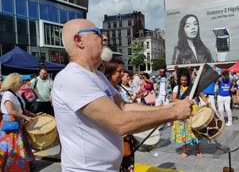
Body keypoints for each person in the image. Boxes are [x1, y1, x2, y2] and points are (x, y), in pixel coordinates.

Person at [52, 19, 193, 171]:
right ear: (79, 40)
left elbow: (124, 107)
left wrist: (166, 107)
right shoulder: (72, 77)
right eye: (97, 33)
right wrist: (173, 113)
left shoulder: (97, 75)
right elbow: (120, 123)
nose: (104, 38)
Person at [101, 59, 134, 172]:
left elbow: (126, 107)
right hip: (114, 138)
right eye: (119, 71)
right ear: (110, 72)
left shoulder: (121, 89)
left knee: (127, 165)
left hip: (126, 135)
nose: (122, 74)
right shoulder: (103, 90)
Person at [0, 73, 35, 171]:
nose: (21, 84)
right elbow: (11, 111)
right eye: (19, 82)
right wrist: (25, 117)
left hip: (17, 122)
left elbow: (20, 108)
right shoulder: (7, 94)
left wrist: (30, 113)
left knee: (18, 145)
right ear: (13, 83)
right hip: (11, 124)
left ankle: (22, 165)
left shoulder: (16, 93)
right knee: (12, 147)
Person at [171, 68, 209, 159]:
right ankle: (184, 150)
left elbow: (201, 94)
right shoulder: (177, 88)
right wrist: (185, 101)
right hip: (182, 112)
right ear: (179, 80)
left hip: (193, 112)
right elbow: (173, 99)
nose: (183, 82)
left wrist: (206, 102)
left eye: (185, 80)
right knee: (183, 131)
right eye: (182, 80)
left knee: (195, 131)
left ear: (188, 79)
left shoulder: (193, 87)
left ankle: (197, 150)